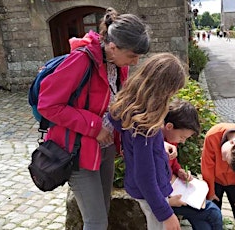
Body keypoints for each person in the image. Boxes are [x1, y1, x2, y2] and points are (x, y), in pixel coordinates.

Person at [37, 8, 151, 230]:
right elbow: (48, 105)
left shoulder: (117, 66)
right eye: (132, 56)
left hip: (105, 148)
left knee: (102, 213)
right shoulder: (80, 61)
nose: (135, 62)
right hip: (77, 151)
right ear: (112, 46)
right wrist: (94, 126)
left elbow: (114, 104)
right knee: (96, 221)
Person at [108, 53, 187, 230]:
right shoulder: (145, 125)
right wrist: (165, 214)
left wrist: (161, 145)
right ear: (163, 90)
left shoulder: (137, 114)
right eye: (172, 92)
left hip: (153, 191)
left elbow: (141, 151)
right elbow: (144, 176)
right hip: (151, 192)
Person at [163, 99, 223, 230]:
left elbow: (172, 163)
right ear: (169, 127)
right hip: (166, 199)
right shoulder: (156, 147)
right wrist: (168, 202)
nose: (182, 141)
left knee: (204, 225)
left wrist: (179, 171)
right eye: (182, 137)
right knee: (213, 212)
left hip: (174, 190)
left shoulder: (172, 138)